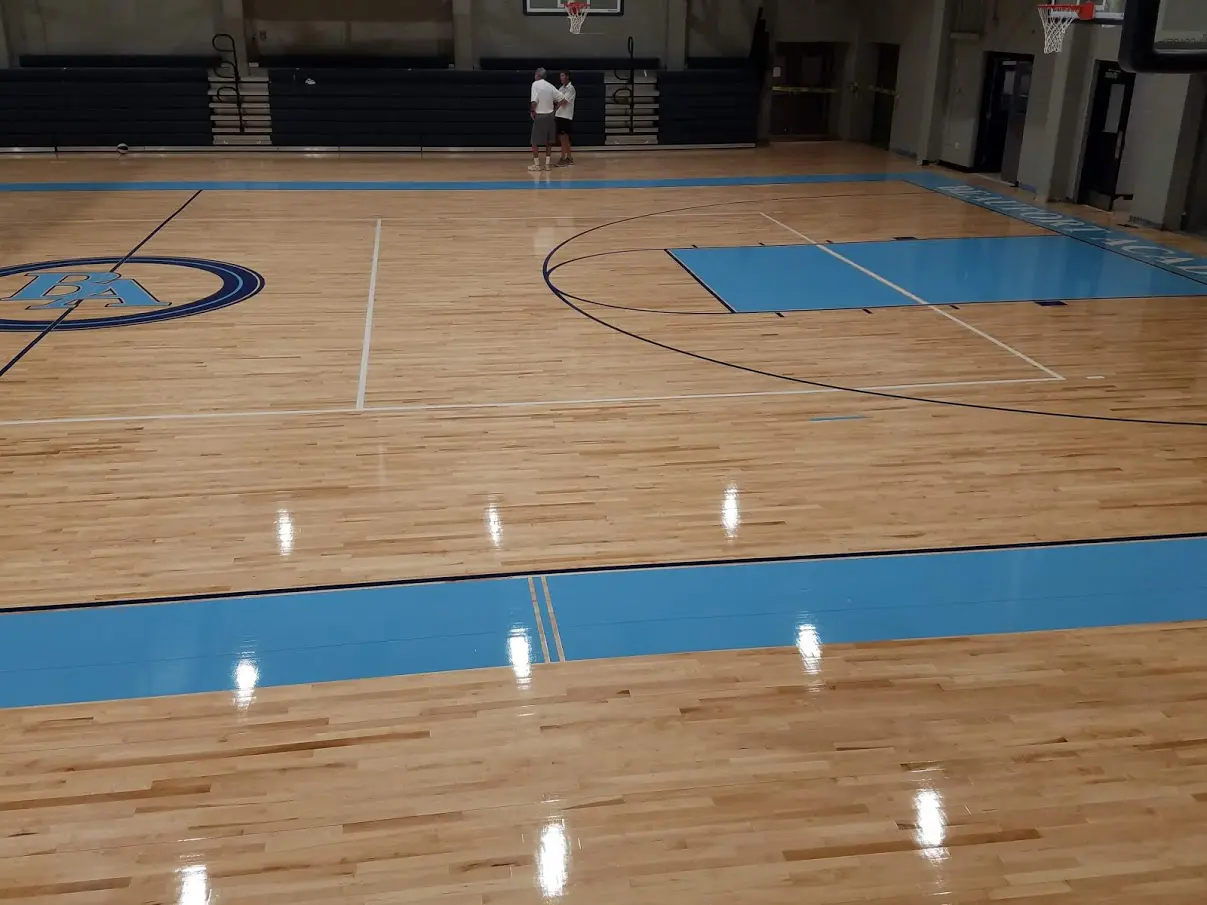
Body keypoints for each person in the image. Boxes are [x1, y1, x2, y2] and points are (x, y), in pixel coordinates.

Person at [529, 68, 563, 172]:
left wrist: (532, 111)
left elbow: (534, 101)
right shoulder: (550, 86)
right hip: (550, 115)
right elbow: (562, 99)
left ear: (537, 75)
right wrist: (554, 110)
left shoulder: (535, 84)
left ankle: (537, 165)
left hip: (540, 115)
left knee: (534, 141)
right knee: (549, 141)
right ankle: (547, 164)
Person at [555, 70, 576, 167]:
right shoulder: (561, 88)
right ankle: (568, 157)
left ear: (567, 76)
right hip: (559, 116)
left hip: (565, 116)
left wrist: (555, 107)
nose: (561, 78)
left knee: (564, 139)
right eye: (560, 76)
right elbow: (556, 99)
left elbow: (563, 101)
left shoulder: (570, 89)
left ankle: (564, 158)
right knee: (563, 139)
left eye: (562, 75)